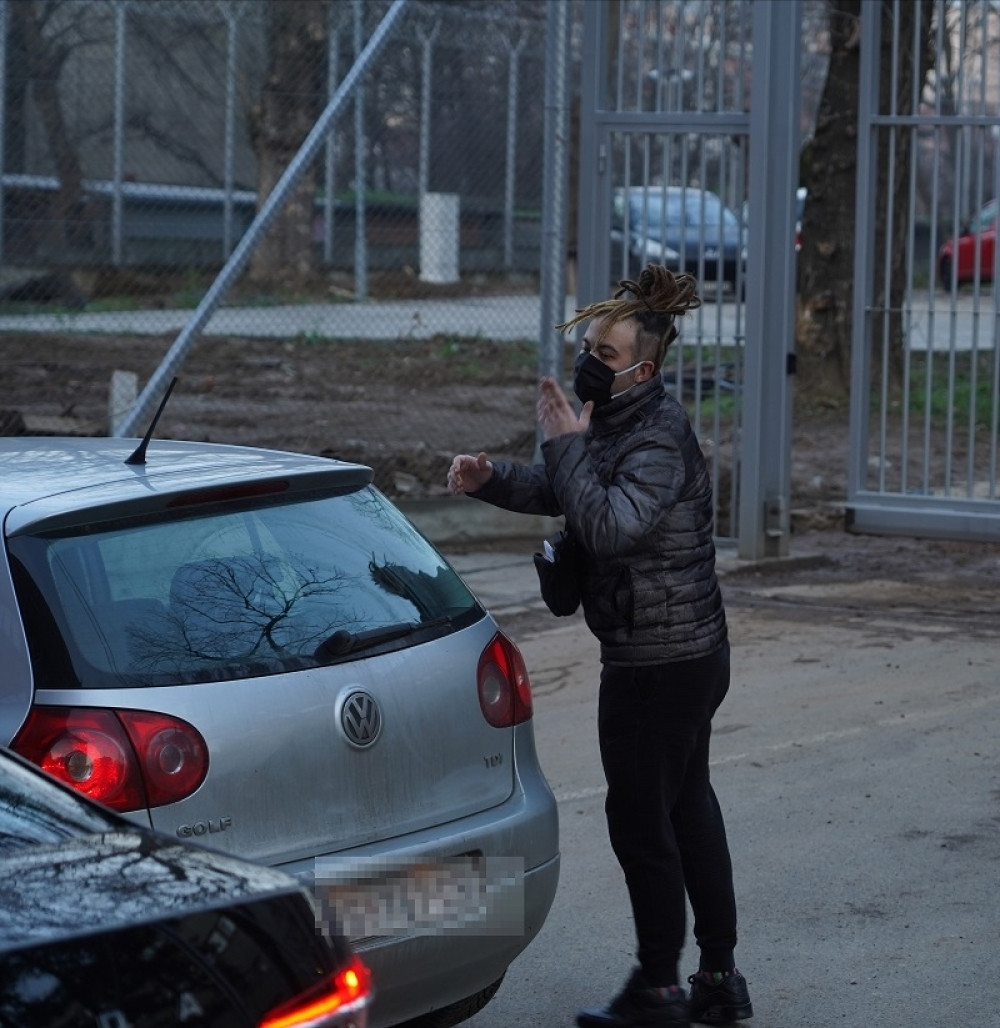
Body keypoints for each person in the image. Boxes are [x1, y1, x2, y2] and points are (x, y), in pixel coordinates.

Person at [447, 264, 753, 1027]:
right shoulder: (619, 419)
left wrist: (563, 447)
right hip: (678, 654)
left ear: (642, 370)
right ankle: (718, 979)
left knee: (642, 824)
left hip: (661, 665)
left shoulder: (659, 437)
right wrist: (492, 479)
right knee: (686, 806)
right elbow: (569, 488)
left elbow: (610, 524)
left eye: (605, 354)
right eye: (587, 347)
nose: (589, 361)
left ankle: (659, 987)